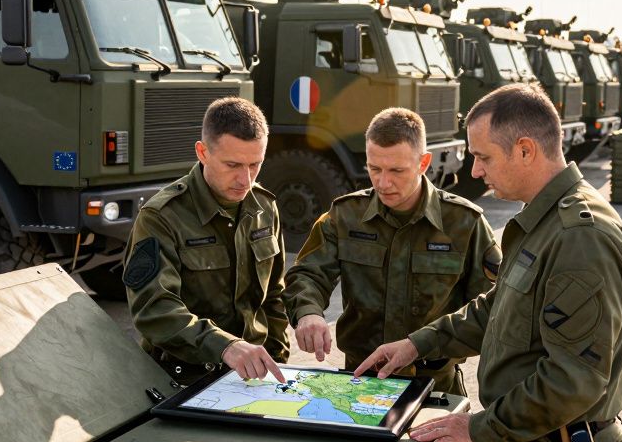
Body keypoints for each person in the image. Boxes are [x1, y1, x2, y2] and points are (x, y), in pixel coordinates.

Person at [355, 84, 622, 442]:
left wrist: (479, 428)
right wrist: (416, 344)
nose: (475, 170)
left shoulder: (579, 237)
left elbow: (574, 380)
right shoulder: (545, 221)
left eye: (483, 157)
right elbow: (498, 308)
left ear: (525, 150)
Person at [284, 107, 501, 395]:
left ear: (423, 163)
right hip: (359, 382)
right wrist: (308, 312)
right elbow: (307, 274)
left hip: (436, 386)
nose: (383, 183)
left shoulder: (464, 223)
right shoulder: (345, 216)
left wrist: (427, 344)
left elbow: (494, 307)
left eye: (397, 171)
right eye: (374, 169)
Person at [124, 97, 288, 385]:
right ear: (202, 152)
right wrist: (224, 346)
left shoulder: (264, 206)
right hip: (182, 378)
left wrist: (278, 360)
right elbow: (155, 309)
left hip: (251, 378)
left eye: (255, 164)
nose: (245, 179)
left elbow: (274, 296)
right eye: (232, 165)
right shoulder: (161, 217)